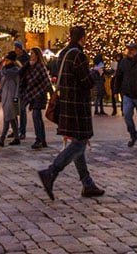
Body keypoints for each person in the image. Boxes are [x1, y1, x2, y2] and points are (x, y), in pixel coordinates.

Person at [37, 26, 104, 199]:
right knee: (79, 143)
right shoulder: (78, 55)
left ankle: (87, 184)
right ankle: (51, 172)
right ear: (82, 38)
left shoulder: (64, 54)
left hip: (66, 104)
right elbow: (85, 82)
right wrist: (96, 73)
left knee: (77, 143)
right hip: (77, 107)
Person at [22, 47, 54, 149]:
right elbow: (21, 74)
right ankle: (42, 140)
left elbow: (47, 81)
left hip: (40, 94)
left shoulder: (40, 67)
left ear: (37, 55)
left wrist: (52, 95)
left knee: (36, 116)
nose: (30, 55)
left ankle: (39, 139)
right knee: (37, 117)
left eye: (32, 53)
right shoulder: (30, 67)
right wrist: (27, 65)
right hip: (33, 94)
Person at [0, 51, 21, 146]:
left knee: (7, 117)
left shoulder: (15, 71)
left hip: (12, 96)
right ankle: (17, 137)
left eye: (8, 60)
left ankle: (2, 138)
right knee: (11, 118)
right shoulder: (4, 70)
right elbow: (0, 80)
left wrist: (16, 97)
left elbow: (18, 85)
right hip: (5, 95)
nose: (6, 61)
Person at [13, 41, 30, 140]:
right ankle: (15, 130)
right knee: (14, 110)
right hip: (15, 86)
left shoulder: (25, 59)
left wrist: (19, 65)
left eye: (17, 48)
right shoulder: (14, 58)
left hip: (23, 86)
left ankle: (22, 131)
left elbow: (25, 71)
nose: (16, 50)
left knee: (22, 109)